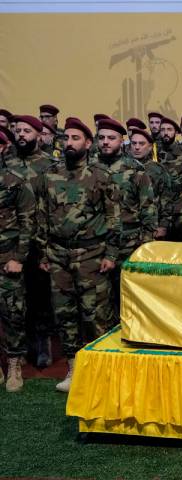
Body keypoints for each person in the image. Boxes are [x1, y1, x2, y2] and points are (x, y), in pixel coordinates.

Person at [37, 117, 122, 393]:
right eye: (67, 138)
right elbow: (42, 215)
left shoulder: (100, 175)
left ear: (88, 143)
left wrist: (110, 253)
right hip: (58, 254)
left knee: (97, 315)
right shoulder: (50, 174)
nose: (69, 143)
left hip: (92, 255)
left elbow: (114, 217)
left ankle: (104, 372)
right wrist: (44, 252)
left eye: (76, 138)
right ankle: (74, 371)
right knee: (65, 315)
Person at [8, 115, 56, 368]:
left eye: (27, 131)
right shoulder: (8, 162)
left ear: (39, 134)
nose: (21, 135)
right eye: (17, 131)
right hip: (12, 242)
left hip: (40, 241)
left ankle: (43, 344)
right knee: (17, 297)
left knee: (41, 295)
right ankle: (21, 345)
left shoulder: (50, 165)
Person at [95, 118, 156, 313]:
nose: (106, 142)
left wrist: (145, 245)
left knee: (129, 299)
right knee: (98, 302)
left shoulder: (135, 169)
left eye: (111, 138)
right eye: (101, 137)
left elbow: (148, 208)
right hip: (95, 244)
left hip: (128, 243)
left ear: (122, 141)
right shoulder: (89, 168)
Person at [0, 147, 35, 392]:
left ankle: (14, 364)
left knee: (12, 312)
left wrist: (19, 257)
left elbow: (27, 221)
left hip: (7, 257)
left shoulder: (14, 181)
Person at [129, 128, 173, 240]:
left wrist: (163, 225)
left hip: (151, 228)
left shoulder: (158, 170)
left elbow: (166, 198)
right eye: (134, 143)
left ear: (149, 147)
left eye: (141, 144)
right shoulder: (123, 168)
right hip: (127, 228)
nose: (137, 147)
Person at [157, 117, 182, 241]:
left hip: (180, 211)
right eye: (163, 130)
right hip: (158, 212)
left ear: (176, 132)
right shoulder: (154, 153)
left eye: (169, 130)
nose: (166, 133)